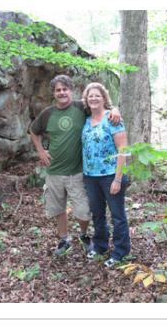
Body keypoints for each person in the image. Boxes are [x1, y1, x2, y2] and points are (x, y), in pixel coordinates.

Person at [30, 75, 121, 257]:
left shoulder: (81, 107)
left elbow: (101, 107)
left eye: (65, 89)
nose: (62, 93)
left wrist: (115, 109)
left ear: (71, 91)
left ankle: (84, 235)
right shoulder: (47, 114)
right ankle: (64, 240)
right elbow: (33, 131)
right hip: (54, 170)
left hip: (78, 172)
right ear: (54, 93)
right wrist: (40, 150)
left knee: (83, 210)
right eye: (58, 90)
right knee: (58, 209)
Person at [82, 82, 131, 268]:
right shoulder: (85, 120)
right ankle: (100, 246)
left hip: (111, 175)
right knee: (98, 214)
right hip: (90, 176)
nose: (93, 98)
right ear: (86, 99)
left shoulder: (112, 119)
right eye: (90, 95)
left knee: (117, 216)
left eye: (97, 95)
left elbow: (123, 150)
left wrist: (118, 178)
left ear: (104, 98)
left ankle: (120, 252)